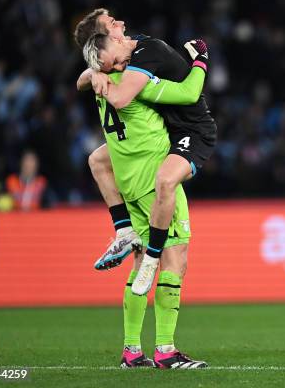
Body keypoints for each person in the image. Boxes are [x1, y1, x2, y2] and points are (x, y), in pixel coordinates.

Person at [83, 35, 210, 368]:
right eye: (115, 41)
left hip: (129, 184)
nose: (125, 40)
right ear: (107, 61)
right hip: (155, 180)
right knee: (174, 260)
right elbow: (186, 94)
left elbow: (98, 158)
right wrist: (200, 61)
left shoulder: (100, 87)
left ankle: (131, 350)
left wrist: (92, 73)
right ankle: (166, 350)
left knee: (140, 264)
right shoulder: (133, 85)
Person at [74, 10, 217, 290]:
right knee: (97, 160)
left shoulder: (143, 53)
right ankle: (124, 230)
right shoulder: (121, 62)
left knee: (164, 180)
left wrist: (201, 59)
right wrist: (93, 73)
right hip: (168, 130)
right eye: (112, 23)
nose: (121, 23)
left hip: (191, 131)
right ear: (103, 38)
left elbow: (125, 97)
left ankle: (152, 256)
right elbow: (84, 79)